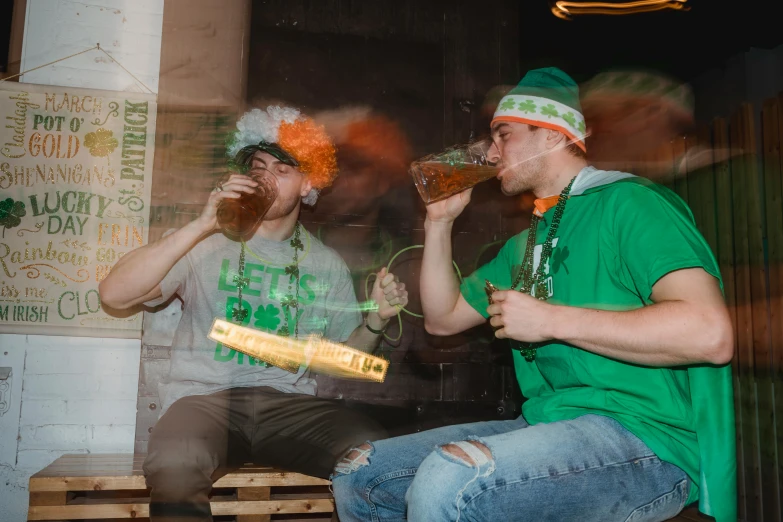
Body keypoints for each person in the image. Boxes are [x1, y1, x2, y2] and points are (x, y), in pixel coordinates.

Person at [332, 67, 736, 522]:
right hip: (550, 423)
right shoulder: (523, 245)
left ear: (552, 135)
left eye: (503, 134)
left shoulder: (630, 203)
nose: (491, 151)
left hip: (644, 438)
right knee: (362, 474)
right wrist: (439, 222)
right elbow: (442, 318)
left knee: (451, 478)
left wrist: (550, 320)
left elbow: (710, 333)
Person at [99, 105, 409, 521]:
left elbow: (346, 365)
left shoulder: (326, 264)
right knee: (175, 460)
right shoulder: (205, 242)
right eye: (259, 166)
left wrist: (376, 321)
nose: (265, 177)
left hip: (287, 405)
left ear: (308, 184)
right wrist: (200, 226)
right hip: (205, 400)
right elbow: (114, 295)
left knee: (375, 454)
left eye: (282, 170)